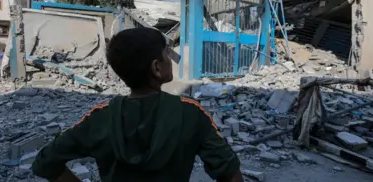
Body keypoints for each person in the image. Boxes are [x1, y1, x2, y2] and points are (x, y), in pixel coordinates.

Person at [32, 28, 243, 182]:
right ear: (156, 68)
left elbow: (45, 162)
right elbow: (230, 172)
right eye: (167, 54)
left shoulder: (99, 118)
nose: (170, 59)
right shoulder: (191, 114)